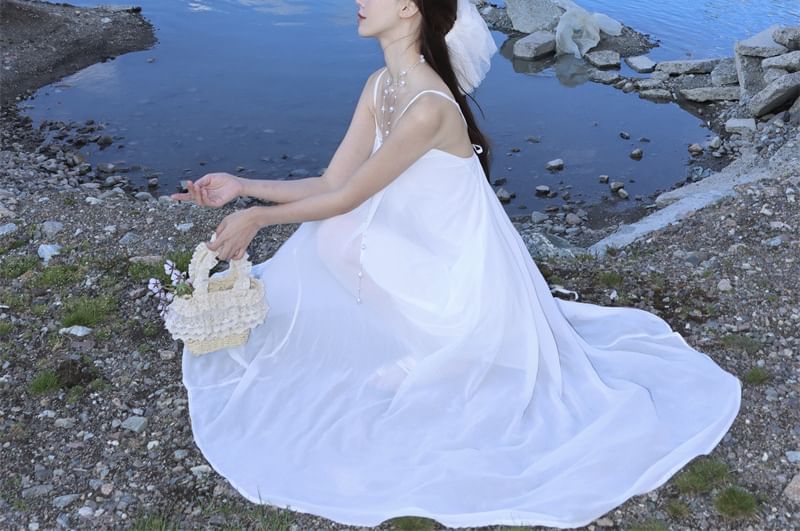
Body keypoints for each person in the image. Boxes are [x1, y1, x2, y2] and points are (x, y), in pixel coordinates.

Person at [169, 0, 742, 528]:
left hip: (462, 285)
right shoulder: (380, 85)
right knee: (330, 234)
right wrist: (242, 186)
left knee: (336, 229)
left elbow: (345, 199)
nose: (358, 1)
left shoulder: (427, 107)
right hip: (423, 254)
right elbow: (331, 181)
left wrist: (257, 219)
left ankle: (434, 345)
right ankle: (410, 338)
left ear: (409, 7)